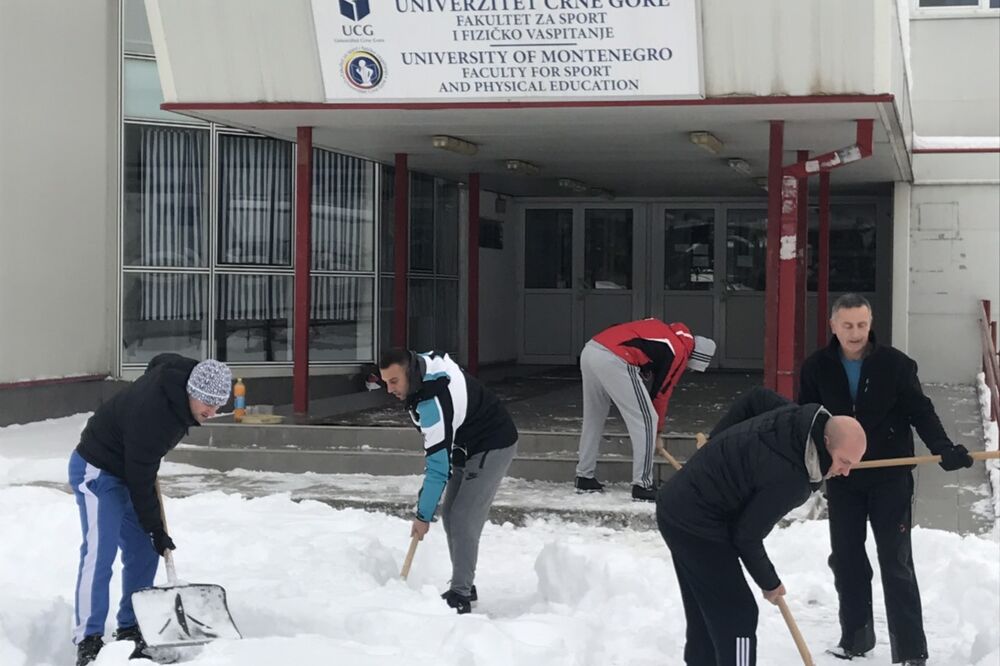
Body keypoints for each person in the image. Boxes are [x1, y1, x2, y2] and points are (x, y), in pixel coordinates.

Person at [799, 293, 974, 665]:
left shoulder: (894, 365)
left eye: (862, 324)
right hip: (844, 476)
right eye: (847, 325)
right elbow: (808, 419)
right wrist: (810, 465)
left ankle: (911, 652)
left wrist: (943, 447)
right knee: (847, 559)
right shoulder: (817, 368)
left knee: (895, 562)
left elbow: (920, 411)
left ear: (870, 323)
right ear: (833, 326)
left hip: (890, 477)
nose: (856, 332)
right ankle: (856, 638)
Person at [656, 386, 867, 666]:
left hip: (682, 506)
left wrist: (715, 445)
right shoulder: (792, 480)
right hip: (696, 524)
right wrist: (770, 582)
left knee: (707, 610)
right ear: (826, 440)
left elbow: (756, 398)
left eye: (852, 464)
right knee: (739, 613)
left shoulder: (797, 419)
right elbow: (747, 536)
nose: (845, 471)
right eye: (843, 461)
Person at [71, 354, 232, 666]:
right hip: (97, 469)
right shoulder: (155, 417)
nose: (212, 412)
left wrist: (152, 534)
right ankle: (88, 638)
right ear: (191, 393)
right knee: (100, 553)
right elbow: (140, 479)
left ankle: (129, 628)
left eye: (218, 405)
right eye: (208, 404)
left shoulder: (184, 375)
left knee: (144, 550)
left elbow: (159, 359)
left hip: (130, 466)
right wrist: (156, 528)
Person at [378, 348, 518, 614]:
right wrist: (427, 509)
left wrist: (422, 515)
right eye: (385, 382)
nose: (389, 389)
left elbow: (438, 468)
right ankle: (463, 583)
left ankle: (461, 593)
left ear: (409, 372)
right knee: (450, 512)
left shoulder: (433, 401)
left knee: (464, 516)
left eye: (394, 381)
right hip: (465, 443)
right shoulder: (420, 379)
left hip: (494, 442)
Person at [575, 318, 716, 501]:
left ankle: (584, 476)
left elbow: (623, 333)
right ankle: (643, 485)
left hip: (591, 349)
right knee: (647, 420)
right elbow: (661, 393)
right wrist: (657, 432)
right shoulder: (679, 351)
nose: (688, 369)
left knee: (594, 417)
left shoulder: (661, 330)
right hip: (615, 357)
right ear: (694, 355)